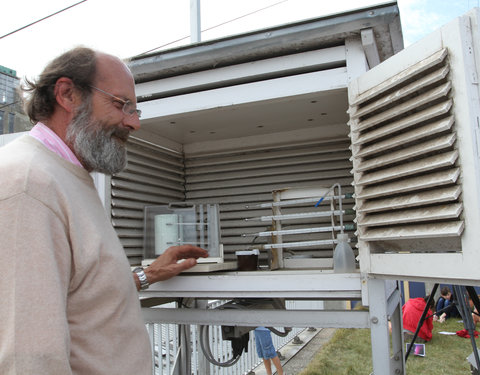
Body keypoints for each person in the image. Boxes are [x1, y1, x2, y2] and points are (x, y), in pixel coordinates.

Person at [0, 47, 208, 375]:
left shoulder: (63, 174)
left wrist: (146, 275)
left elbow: (76, 295)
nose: (134, 123)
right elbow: (28, 358)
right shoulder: (27, 183)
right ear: (67, 94)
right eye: (121, 104)